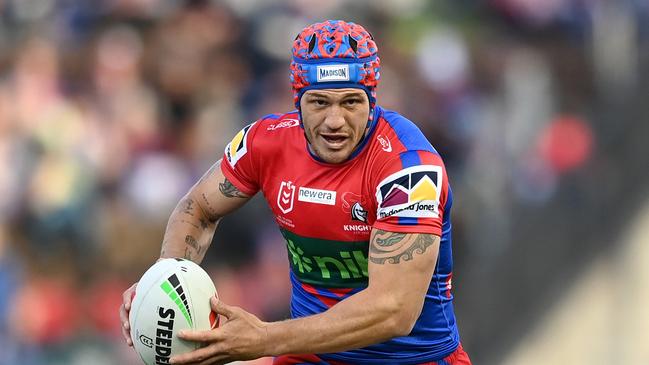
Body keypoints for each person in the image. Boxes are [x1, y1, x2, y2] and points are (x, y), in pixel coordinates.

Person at [119, 19, 471, 365]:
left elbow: (394, 310)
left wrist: (265, 338)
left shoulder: (409, 169)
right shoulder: (265, 142)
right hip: (308, 356)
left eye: (350, 102)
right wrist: (162, 284)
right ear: (297, 101)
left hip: (412, 360)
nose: (335, 120)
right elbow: (197, 207)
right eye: (319, 102)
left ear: (372, 101)